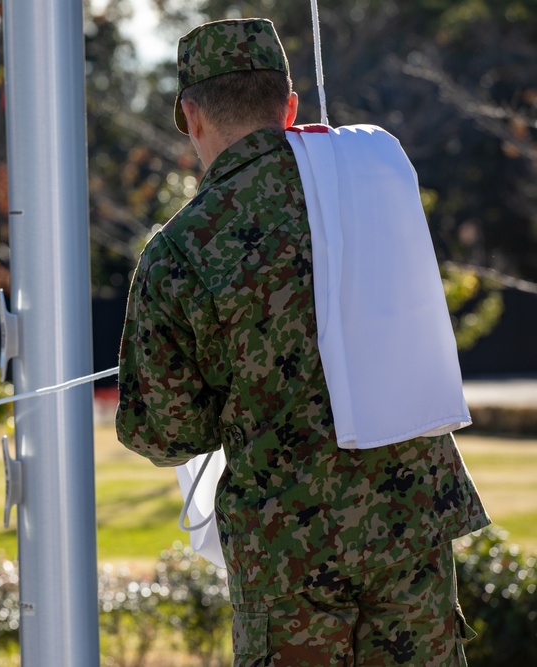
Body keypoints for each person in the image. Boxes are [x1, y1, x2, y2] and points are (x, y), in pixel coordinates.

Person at [115, 18, 490, 666]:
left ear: (192, 114)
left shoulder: (180, 249)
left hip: (291, 554)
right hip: (410, 527)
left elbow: (162, 431)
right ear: (288, 105)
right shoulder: (371, 184)